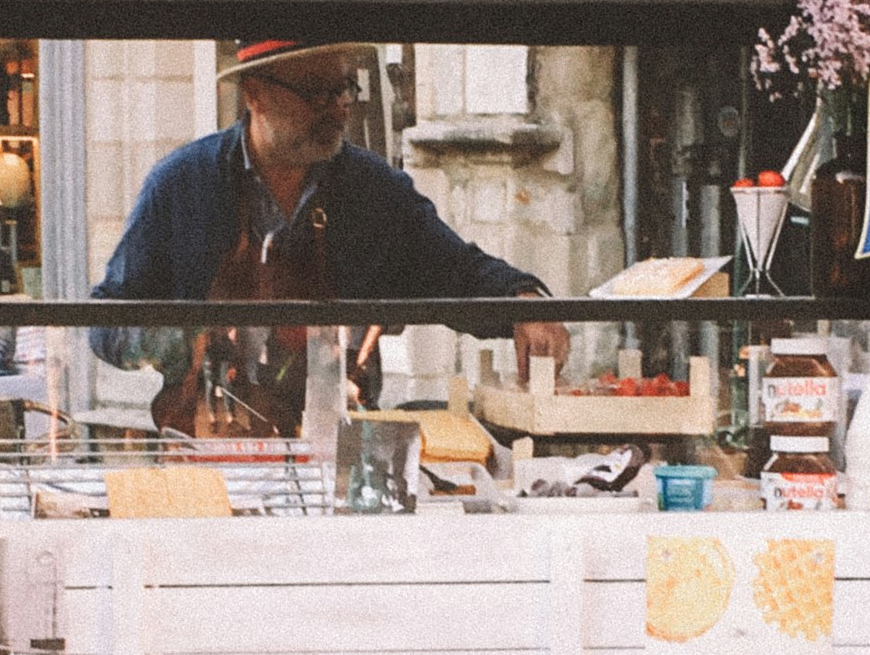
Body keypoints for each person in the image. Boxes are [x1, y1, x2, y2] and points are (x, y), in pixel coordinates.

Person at [94, 39, 569, 435]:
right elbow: (107, 320)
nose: (338, 108)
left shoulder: (374, 190)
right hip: (212, 452)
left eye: (344, 88)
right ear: (254, 95)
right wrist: (177, 340)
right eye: (316, 93)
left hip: (342, 452)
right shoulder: (182, 185)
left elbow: (458, 270)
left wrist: (523, 300)